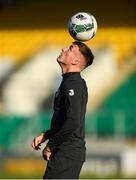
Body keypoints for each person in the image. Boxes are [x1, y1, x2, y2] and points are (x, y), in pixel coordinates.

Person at [32, 41, 94, 179]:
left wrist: (50, 146)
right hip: (65, 151)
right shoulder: (68, 82)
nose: (63, 48)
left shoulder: (74, 84)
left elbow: (72, 122)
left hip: (67, 152)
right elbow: (65, 119)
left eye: (70, 49)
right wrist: (46, 135)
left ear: (75, 60)